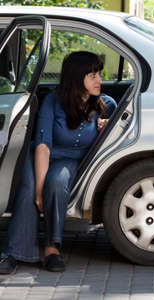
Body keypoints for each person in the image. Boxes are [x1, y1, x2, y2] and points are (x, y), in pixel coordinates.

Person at [0, 51, 117, 273]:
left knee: (57, 184)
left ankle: (52, 248)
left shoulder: (107, 104)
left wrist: (106, 128)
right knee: (28, 189)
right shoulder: (52, 101)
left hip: (71, 159)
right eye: (92, 75)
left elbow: (119, 137)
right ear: (76, 77)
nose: (99, 80)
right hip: (42, 153)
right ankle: (14, 252)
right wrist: (38, 192)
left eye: (98, 74)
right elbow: (43, 145)